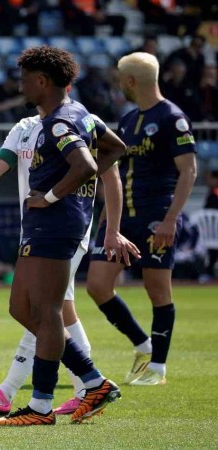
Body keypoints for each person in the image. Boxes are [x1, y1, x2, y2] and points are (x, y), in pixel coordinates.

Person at [0, 104, 138, 417]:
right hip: (35, 229)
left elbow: (110, 176)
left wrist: (112, 230)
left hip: (67, 230)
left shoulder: (83, 121)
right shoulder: (24, 127)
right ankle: (87, 388)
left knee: (40, 309)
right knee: (57, 310)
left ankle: (16, 390)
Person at [0, 47, 122, 426]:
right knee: (23, 309)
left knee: (47, 313)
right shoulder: (81, 115)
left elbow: (86, 165)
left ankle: (41, 406)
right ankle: (93, 381)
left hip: (55, 224)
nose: (21, 87)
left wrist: (52, 196)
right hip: (51, 225)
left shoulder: (58, 123)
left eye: (25, 80)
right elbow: (116, 148)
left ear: (42, 81)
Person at [86, 52, 198, 387]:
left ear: (131, 81)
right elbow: (116, 174)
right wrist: (107, 220)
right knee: (97, 285)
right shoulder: (128, 119)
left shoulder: (172, 117)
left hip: (156, 217)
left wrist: (171, 220)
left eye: (121, 80)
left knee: (157, 289)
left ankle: (158, 368)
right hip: (123, 218)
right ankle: (143, 344)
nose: (119, 86)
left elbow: (189, 171)